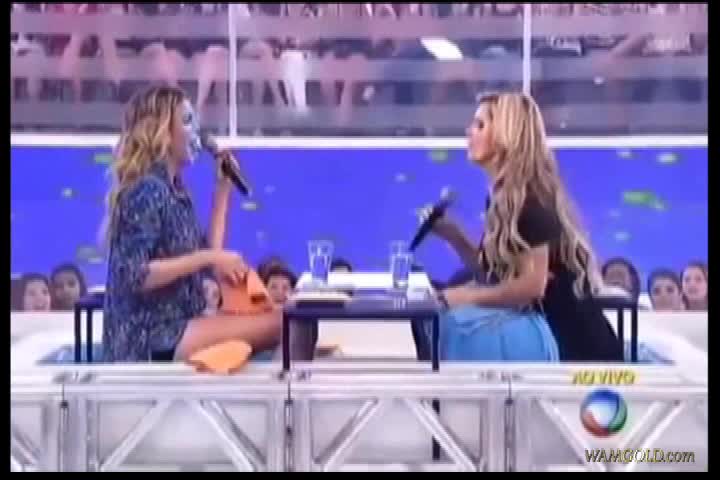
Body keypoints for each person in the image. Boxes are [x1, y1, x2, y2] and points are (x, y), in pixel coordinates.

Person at [425, 92, 623, 362]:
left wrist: (467, 296)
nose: (469, 131)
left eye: (480, 125)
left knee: (456, 323)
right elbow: (495, 276)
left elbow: (532, 286)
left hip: (574, 346)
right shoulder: (504, 199)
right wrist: (455, 237)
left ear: (506, 135)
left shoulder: (531, 201)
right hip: (543, 335)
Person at [102, 86, 282, 362]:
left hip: (181, 323)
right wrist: (208, 258)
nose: (196, 132)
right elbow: (134, 275)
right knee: (286, 324)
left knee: (289, 321)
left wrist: (222, 192)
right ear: (161, 131)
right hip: (149, 336)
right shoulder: (146, 190)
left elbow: (209, 258)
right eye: (187, 121)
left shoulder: (175, 191)